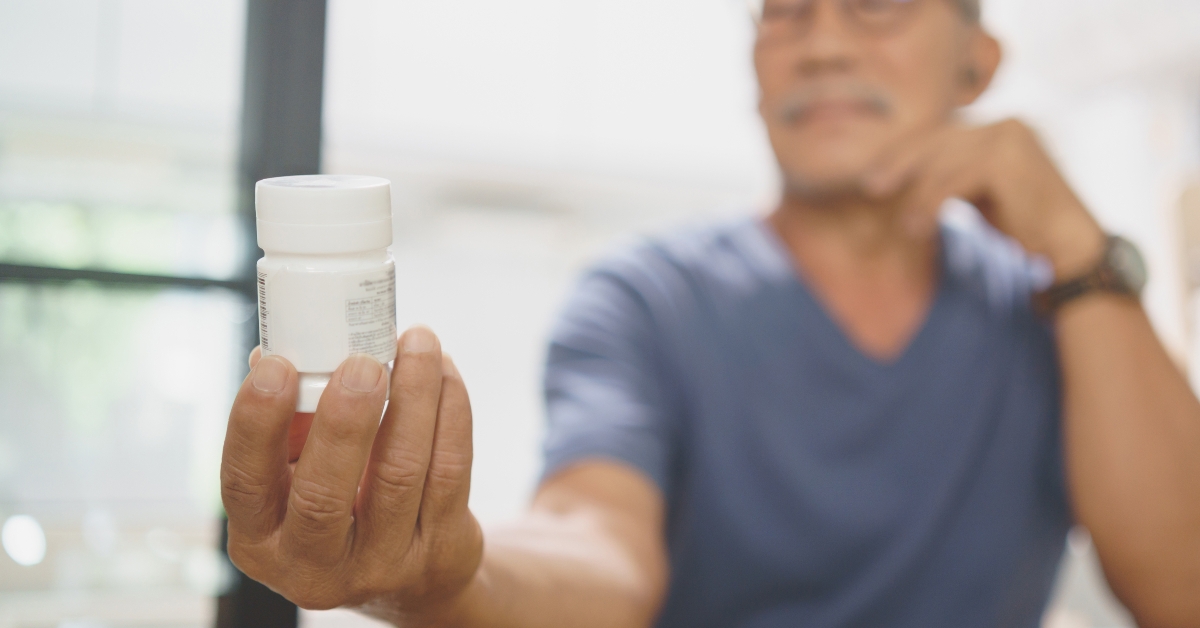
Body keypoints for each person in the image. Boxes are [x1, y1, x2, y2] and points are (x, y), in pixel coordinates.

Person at [219, 0, 1200, 626]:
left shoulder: (1055, 310)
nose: (820, 42)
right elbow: (596, 544)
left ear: (977, 64)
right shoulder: (649, 299)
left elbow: (1181, 591)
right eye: (784, 13)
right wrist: (452, 577)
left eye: (875, 5)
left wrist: (1079, 249)